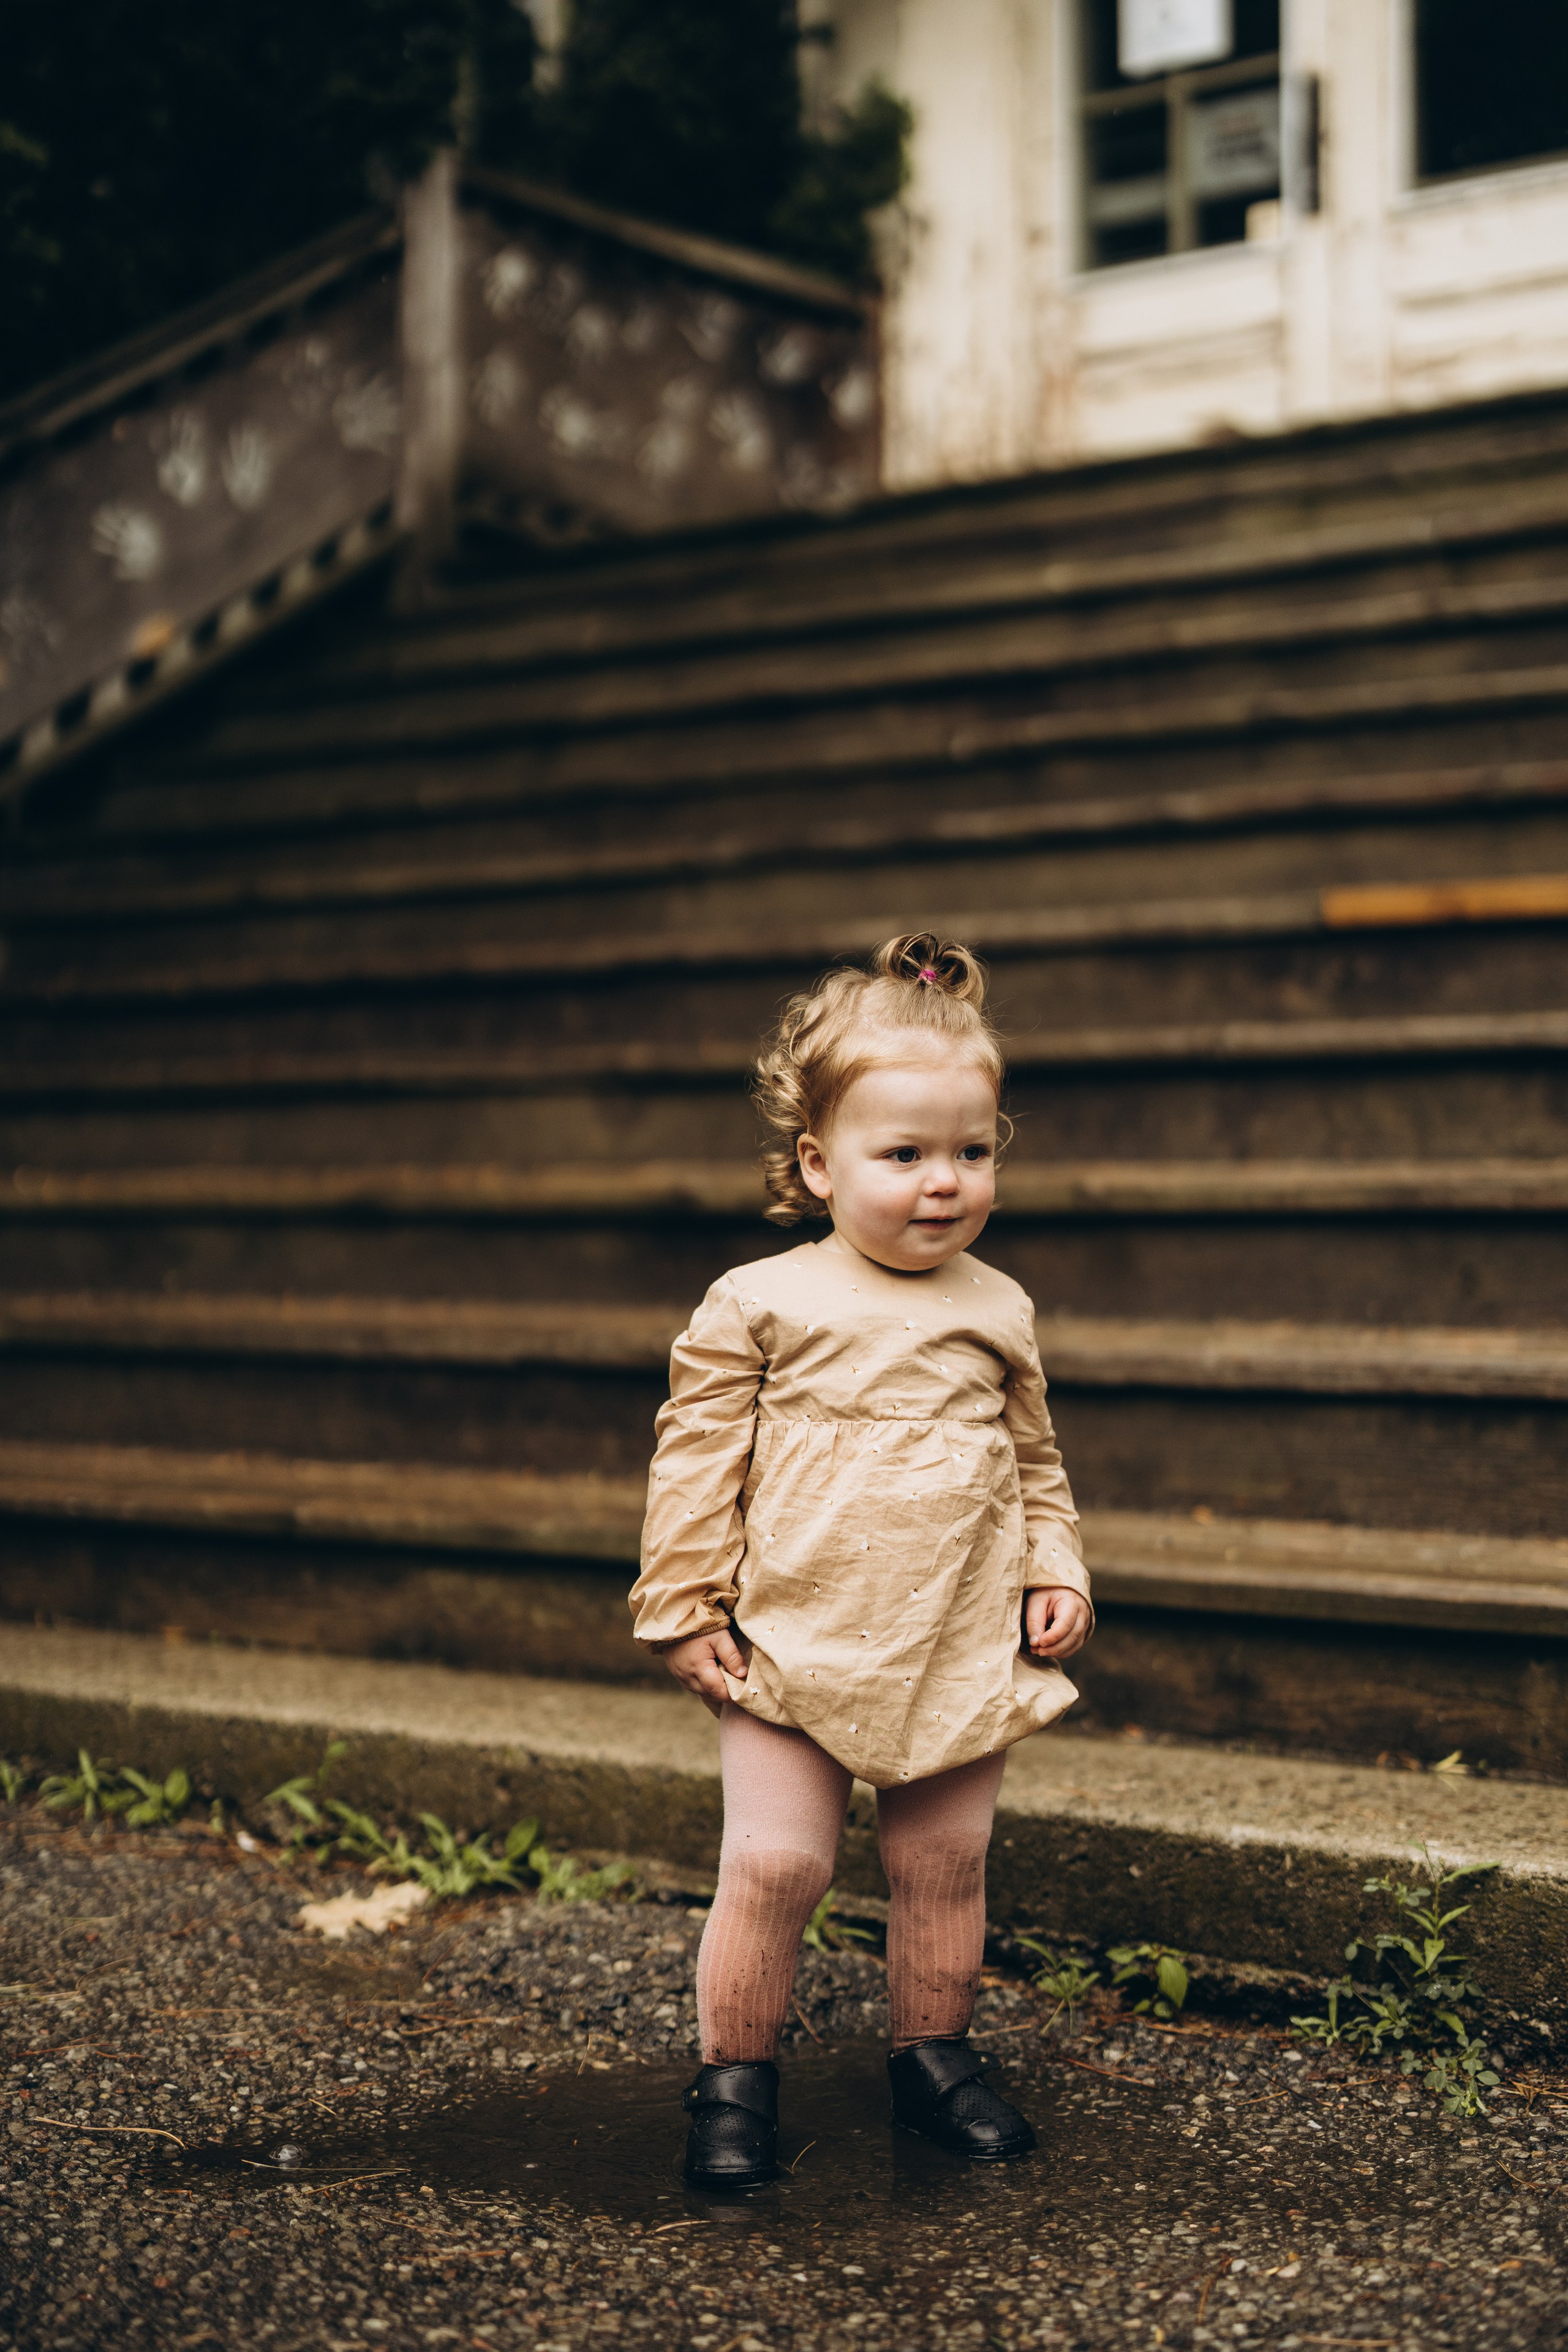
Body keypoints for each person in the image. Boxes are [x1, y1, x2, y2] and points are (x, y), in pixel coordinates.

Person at [629, 932, 1093, 2187]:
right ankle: (734, 2082)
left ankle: (932, 2058)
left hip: (955, 1636)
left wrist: (1054, 1567)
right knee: (777, 1864)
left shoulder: (997, 1307)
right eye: (904, 1155)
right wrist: (682, 1607)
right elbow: (694, 1461)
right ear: (816, 1163)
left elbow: (1032, 1459)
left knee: (941, 1863)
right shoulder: (760, 1300)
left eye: (972, 1152)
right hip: (792, 1636)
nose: (943, 1183)